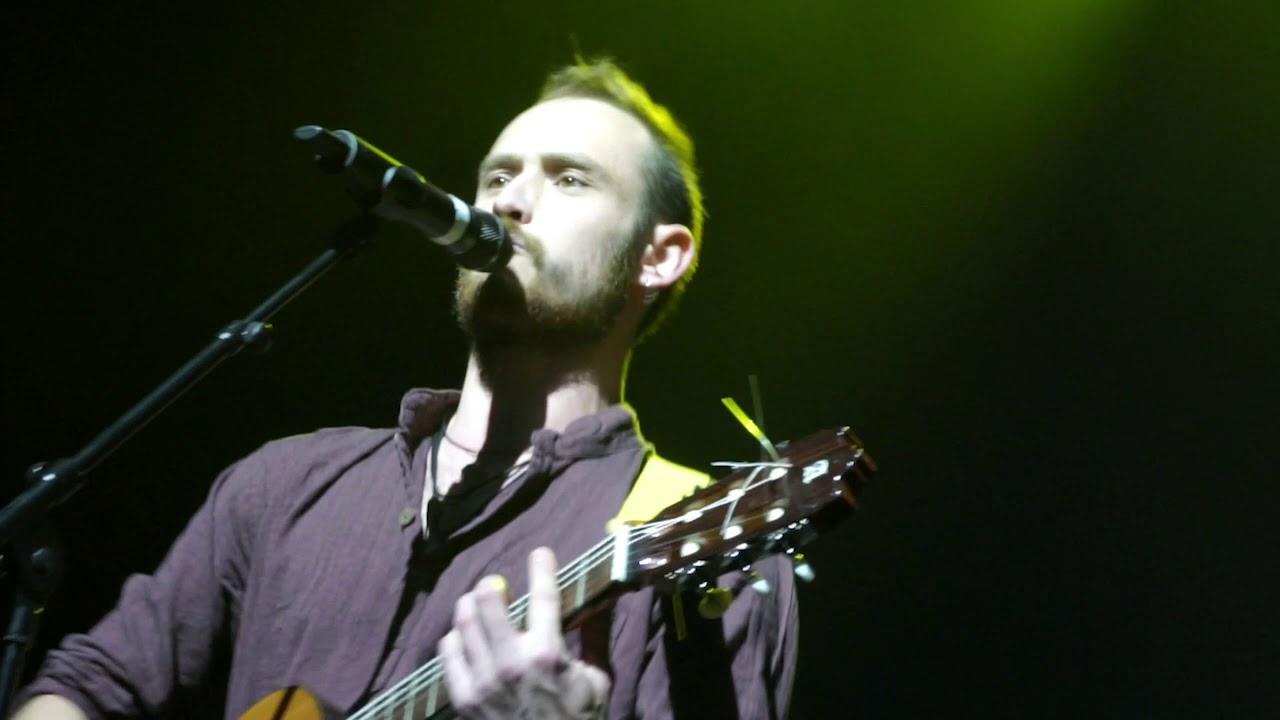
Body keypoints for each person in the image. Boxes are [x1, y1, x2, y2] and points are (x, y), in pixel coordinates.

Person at [12, 59, 797, 720]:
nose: (509, 201)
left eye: (569, 179)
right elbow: (87, 684)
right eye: (498, 176)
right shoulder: (285, 484)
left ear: (659, 257)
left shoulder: (702, 544)